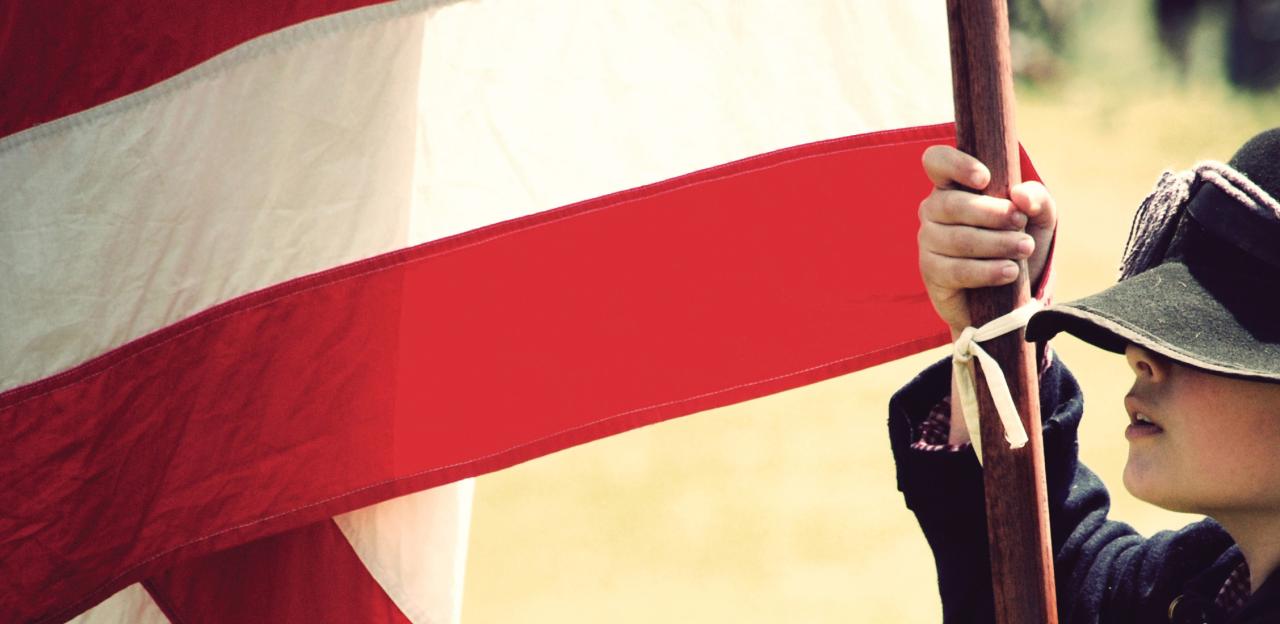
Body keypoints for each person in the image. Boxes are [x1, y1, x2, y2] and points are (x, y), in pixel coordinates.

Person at [891, 127, 1280, 623]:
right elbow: (1055, 576)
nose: (1142, 357)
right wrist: (995, 317)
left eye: (1217, 334)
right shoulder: (1220, 576)